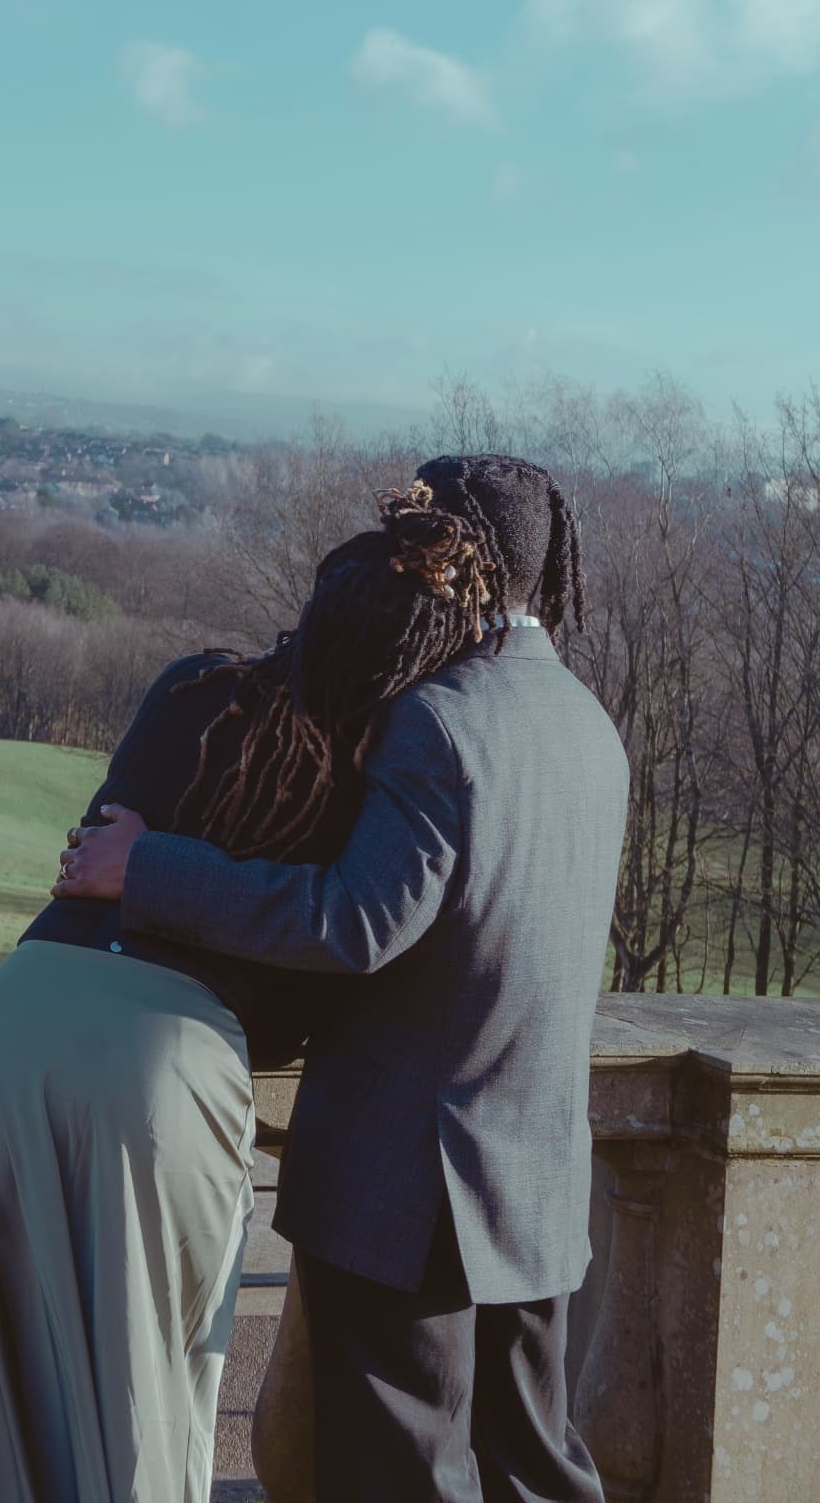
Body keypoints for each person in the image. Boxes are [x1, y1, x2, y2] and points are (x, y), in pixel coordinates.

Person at [0, 489, 510, 1503]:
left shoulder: (190, 683)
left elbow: (99, 841)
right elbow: (334, 942)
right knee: (144, 1411)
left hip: (2, 1022)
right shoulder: (372, 769)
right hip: (157, 1065)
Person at [59, 455, 628, 1503]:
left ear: (444, 557)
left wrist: (145, 867)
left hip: (410, 1184)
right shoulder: (585, 723)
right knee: (534, 1471)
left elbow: (353, 921)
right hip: (536, 1177)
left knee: (401, 1477)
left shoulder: (438, 720)